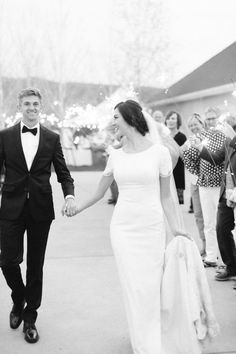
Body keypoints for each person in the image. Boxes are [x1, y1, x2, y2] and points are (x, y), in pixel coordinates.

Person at [73, 100, 218, 353]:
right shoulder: (115, 155)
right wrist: (77, 207)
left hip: (150, 227)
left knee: (150, 285)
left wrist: (175, 228)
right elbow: (99, 191)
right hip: (122, 228)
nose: (113, 121)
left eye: (116, 117)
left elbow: (165, 197)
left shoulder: (159, 153)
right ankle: (141, 337)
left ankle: (152, 335)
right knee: (133, 285)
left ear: (129, 118)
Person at [0, 88, 76, 343]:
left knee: (35, 265)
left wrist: (69, 195)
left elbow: (63, 172)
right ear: (19, 107)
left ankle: (30, 317)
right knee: (8, 261)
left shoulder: (52, 138)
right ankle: (18, 296)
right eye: (27, 104)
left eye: (35, 104)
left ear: (40, 107)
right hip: (10, 207)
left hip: (41, 210)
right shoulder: (5, 136)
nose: (31, 108)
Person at [191, 115, 236, 285]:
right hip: (228, 191)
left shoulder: (230, 138)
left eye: (225, 124)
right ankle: (231, 267)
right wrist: (199, 148)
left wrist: (230, 136)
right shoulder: (229, 142)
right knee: (221, 228)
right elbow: (216, 158)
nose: (220, 126)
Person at [182, 107, 226, 268]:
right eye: (208, 119)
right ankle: (211, 257)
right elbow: (188, 157)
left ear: (218, 119)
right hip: (205, 184)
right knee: (208, 222)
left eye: (212, 118)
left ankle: (227, 257)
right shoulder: (197, 137)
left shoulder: (223, 136)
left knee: (224, 222)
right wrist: (198, 174)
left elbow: (220, 159)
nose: (210, 121)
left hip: (221, 184)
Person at [181, 113, 206, 256]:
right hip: (194, 182)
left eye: (195, 124)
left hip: (208, 182)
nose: (193, 127)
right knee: (198, 215)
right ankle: (204, 244)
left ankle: (213, 246)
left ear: (202, 124)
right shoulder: (189, 140)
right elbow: (181, 152)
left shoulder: (209, 137)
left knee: (210, 216)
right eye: (190, 125)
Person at [165, 110, 186, 204]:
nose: (170, 120)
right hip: (165, 172)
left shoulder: (182, 137)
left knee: (176, 203)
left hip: (177, 172)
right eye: (168, 118)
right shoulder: (163, 136)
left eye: (173, 118)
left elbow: (182, 154)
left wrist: (170, 140)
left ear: (178, 121)